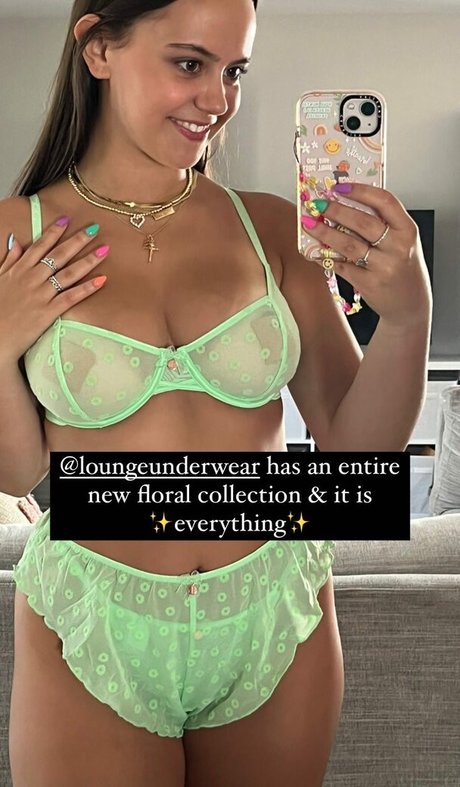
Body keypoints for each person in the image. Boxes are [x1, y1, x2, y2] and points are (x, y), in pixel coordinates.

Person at [2, 0, 431, 785]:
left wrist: (409, 317)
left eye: (234, 70)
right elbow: (16, 470)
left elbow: (354, 451)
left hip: (274, 600)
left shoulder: (272, 230)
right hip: (95, 610)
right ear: (98, 49)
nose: (218, 99)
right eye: (189, 64)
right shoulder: (15, 235)